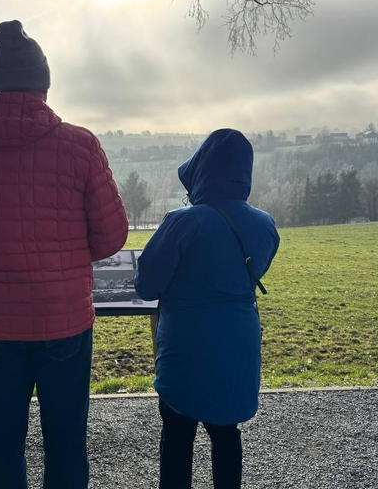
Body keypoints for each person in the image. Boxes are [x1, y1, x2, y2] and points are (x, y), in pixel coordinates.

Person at [0, 19, 128, 489]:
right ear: (44, 84)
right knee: (66, 441)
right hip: (65, 321)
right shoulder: (81, 146)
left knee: (0, 442)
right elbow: (112, 236)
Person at [134, 129, 279, 489]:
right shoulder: (265, 224)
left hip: (187, 348)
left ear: (201, 171)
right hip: (238, 344)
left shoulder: (182, 222)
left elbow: (146, 285)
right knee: (226, 433)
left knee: (177, 436)